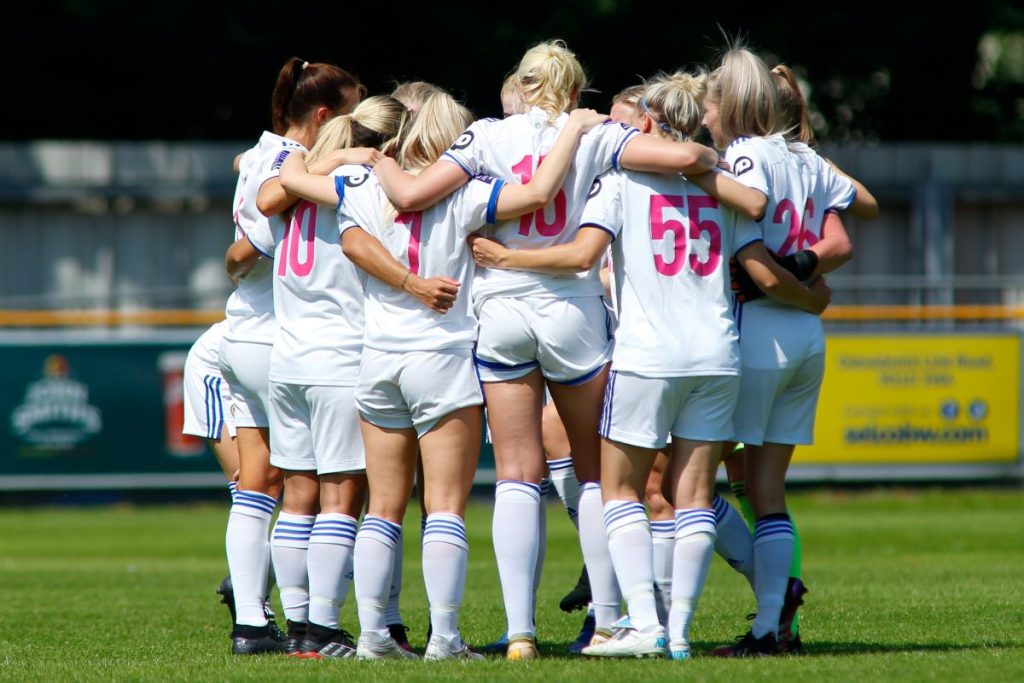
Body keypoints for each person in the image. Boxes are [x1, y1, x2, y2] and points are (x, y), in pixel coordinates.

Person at [372, 39, 722, 659]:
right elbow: (684, 155)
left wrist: (369, 159)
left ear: (522, 84)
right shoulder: (593, 134)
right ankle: (609, 619)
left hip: (502, 308)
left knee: (515, 475)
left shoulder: (485, 136)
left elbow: (414, 196)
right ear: (574, 90)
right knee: (594, 475)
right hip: (573, 312)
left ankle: (520, 632)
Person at [469, 68, 830, 660]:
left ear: (647, 125)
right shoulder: (719, 187)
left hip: (647, 354)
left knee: (619, 490)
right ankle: (681, 632)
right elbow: (758, 214)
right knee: (694, 497)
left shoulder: (622, 181)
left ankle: (641, 623)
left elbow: (583, 254)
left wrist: (508, 258)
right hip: (717, 354)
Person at [281, 86, 609, 660]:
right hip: (441, 358)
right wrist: (574, 131)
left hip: (377, 358)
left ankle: (374, 635)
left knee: (382, 508)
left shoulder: (360, 182)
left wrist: (351, 155)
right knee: (446, 507)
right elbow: (538, 194)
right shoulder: (468, 193)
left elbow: (288, 175)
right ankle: (446, 639)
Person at [698, 47, 867, 658]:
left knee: (676, 478)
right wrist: (813, 296)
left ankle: (657, 624)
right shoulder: (805, 156)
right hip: (803, 342)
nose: (703, 114)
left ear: (732, 104)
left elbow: (757, 273)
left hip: (759, 334)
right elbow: (841, 240)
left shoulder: (743, 157)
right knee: (767, 490)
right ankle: (774, 628)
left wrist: (793, 290)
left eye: (709, 103)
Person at [249, 96, 409, 660]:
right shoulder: (359, 180)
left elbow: (269, 197)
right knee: (342, 500)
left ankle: (296, 627)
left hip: (287, 359)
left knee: (298, 498)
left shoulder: (296, 181)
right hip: (338, 357)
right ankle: (323, 627)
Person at [220, 56, 364, 656]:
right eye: (354, 112)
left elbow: (234, 254)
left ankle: (255, 619)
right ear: (326, 115)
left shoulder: (258, 154)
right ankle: (315, 621)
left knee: (261, 486)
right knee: (320, 488)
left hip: (241, 333)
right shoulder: (292, 166)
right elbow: (246, 246)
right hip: (283, 336)